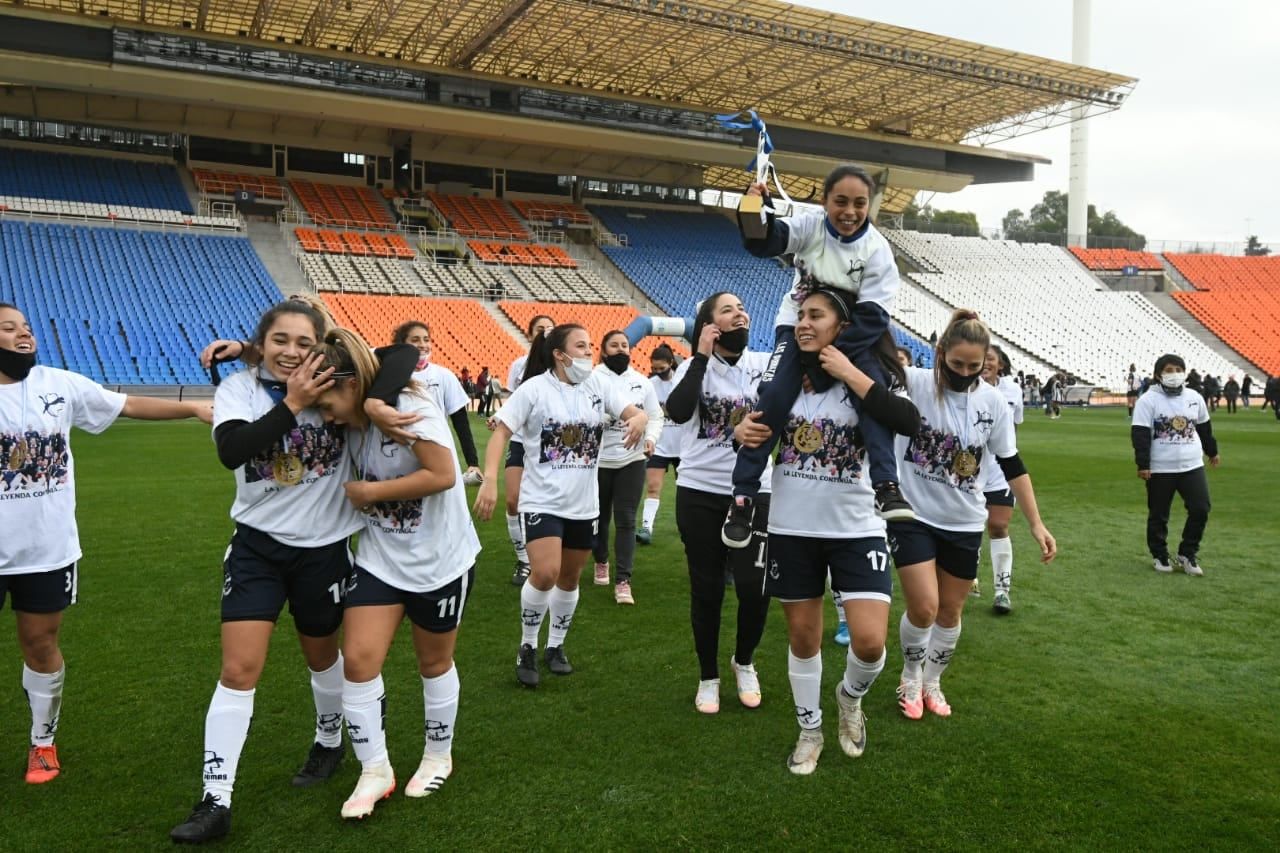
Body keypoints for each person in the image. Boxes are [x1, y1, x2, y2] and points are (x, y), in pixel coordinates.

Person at [171, 302, 415, 843]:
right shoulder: (240, 390)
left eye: (303, 343)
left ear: (320, 346)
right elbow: (233, 450)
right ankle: (216, 799)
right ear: (262, 344)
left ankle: (329, 740)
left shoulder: (338, 382)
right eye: (277, 340)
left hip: (324, 550)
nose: (291, 352)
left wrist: (368, 397)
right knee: (238, 669)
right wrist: (289, 397)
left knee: (322, 656)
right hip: (257, 550)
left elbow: (402, 353)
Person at [0, 302, 212, 786]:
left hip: (47, 551)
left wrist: (193, 407)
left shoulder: (58, 384)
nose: (23, 334)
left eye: (26, 327)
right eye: (9, 329)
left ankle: (42, 742)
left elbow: (128, 404)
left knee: (40, 642)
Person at [733, 288, 920, 773]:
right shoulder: (784, 378)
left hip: (857, 526)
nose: (804, 323)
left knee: (870, 643)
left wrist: (849, 373)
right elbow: (746, 420)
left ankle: (849, 698)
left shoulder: (871, 377)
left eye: (816, 315)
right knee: (802, 636)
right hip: (793, 526)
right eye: (800, 315)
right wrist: (740, 430)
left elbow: (908, 422)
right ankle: (810, 728)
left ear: (844, 326)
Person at [309, 329, 481, 819]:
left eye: (328, 404)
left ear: (349, 384)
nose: (325, 417)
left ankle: (437, 755)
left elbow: (443, 475)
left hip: (441, 560)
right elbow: (378, 356)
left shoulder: (409, 407)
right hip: (380, 559)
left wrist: (370, 495)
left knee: (434, 663)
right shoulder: (361, 411)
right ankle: (375, 769)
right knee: (358, 660)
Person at [722, 163, 912, 554]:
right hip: (796, 326)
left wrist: (827, 365)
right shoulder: (810, 226)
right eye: (840, 201)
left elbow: (873, 317)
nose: (849, 211)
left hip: (855, 336)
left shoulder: (878, 250)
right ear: (824, 200)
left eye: (860, 203)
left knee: (871, 399)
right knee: (772, 398)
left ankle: (886, 487)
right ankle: (742, 498)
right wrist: (752, 208)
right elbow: (764, 241)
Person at [891, 309, 1056, 720]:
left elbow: (1012, 463)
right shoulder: (913, 384)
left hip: (964, 521)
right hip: (912, 515)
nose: (965, 372)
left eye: (974, 366)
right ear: (940, 352)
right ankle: (910, 676)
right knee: (925, 607)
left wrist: (1035, 523)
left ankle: (933, 680)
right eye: (956, 364)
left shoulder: (993, 402)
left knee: (950, 612)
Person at [473, 324, 647, 688]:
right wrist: (490, 479)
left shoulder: (599, 386)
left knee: (569, 578)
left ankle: (556, 646)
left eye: (589, 346)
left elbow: (633, 411)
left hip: (584, 505)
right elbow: (502, 432)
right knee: (546, 573)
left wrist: (640, 418)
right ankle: (527, 645)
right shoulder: (534, 389)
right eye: (580, 346)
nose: (588, 353)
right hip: (542, 500)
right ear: (560, 354)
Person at [663, 292, 773, 714]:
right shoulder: (694, 367)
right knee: (707, 589)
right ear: (708, 325)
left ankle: (744, 661)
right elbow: (677, 411)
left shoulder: (762, 366)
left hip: (753, 489)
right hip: (700, 491)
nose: (740, 313)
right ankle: (708, 675)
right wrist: (701, 356)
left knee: (754, 587)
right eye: (727, 310)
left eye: (743, 308)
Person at [590, 331, 663, 604]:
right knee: (598, 517)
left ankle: (623, 580)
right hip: (597, 460)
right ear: (603, 350)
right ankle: (601, 561)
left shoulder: (641, 382)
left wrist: (651, 438)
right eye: (614, 345)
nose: (621, 349)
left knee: (627, 519)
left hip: (632, 460)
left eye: (625, 345)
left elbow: (656, 416)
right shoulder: (591, 379)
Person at [1131, 354, 1219, 576]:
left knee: (1201, 508)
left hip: (1192, 464)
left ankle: (1187, 553)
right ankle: (1159, 554)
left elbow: (1204, 427)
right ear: (1158, 374)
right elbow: (1140, 434)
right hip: (1161, 467)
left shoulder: (1194, 397)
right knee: (1159, 513)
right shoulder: (1147, 400)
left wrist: (1212, 451)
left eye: (1178, 369)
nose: (1174, 374)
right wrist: (1143, 463)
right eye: (1169, 370)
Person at [499, 314, 555, 586]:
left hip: (549, 443)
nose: (545, 332)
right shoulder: (519, 365)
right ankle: (523, 559)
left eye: (549, 328)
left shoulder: (562, 365)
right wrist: (500, 416)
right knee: (513, 499)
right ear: (530, 333)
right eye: (540, 328)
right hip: (521, 439)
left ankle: (545, 557)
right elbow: (513, 401)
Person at [392, 321, 482, 483]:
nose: (423, 345)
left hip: (440, 451)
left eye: (426, 339)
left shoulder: (444, 375)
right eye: (415, 340)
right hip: (402, 453)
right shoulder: (390, 375)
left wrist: (472, 463)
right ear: (402, 344)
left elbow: (461, 423)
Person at [980, 345, 1024, 614]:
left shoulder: (1012, 390)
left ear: (1001, 365)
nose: (985, 363)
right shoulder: (961, 386)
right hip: (964, 472)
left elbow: (1014, 426)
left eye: (991, 359)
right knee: (968, 528)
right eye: (981, 359)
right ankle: (967, 580)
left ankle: (1002, 591)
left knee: (998, 525)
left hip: (999, 472)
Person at [639, 344, 682, 545]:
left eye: (661, 368)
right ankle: (647, 527)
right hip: (659, 444)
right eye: (654, 368)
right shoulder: (650, 385)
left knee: (685, 490)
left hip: (684, 447)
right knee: (653, 486)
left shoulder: (682, 381)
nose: (657, 372)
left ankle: (686, 527)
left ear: (671, 363)